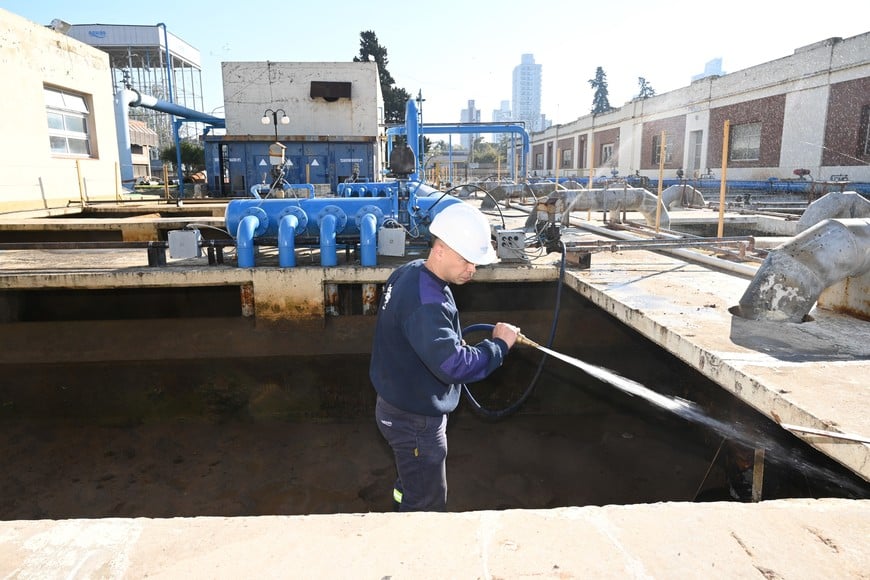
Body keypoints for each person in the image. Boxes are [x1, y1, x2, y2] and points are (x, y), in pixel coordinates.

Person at [369, 202, 521, 512]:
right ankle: (413, 536)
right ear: (440, 250)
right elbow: (453, 365)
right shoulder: (428, 304)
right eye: (467, 260)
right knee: (426, 501)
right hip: (415, 421)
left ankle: (400, 511)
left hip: (395, 404)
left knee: (411, 480)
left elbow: (417, 336)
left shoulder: (410, 272)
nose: (472, 269)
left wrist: (446, 342)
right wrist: (499, 346)